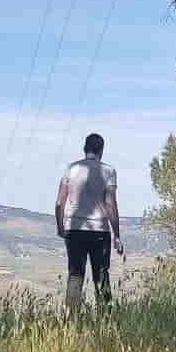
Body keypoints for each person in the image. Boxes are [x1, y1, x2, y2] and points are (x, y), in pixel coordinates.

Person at [55, 132, 122, 311]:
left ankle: (71, 318)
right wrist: (117, 235)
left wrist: (61, 226)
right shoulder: (108, 171)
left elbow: (60, 202)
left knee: (75, 274)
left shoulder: (71, 169)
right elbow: (110, 204)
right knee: (101, 275)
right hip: (100, 231)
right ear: (101, 150)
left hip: (74, 229)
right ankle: (105, 317)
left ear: (85, 148)